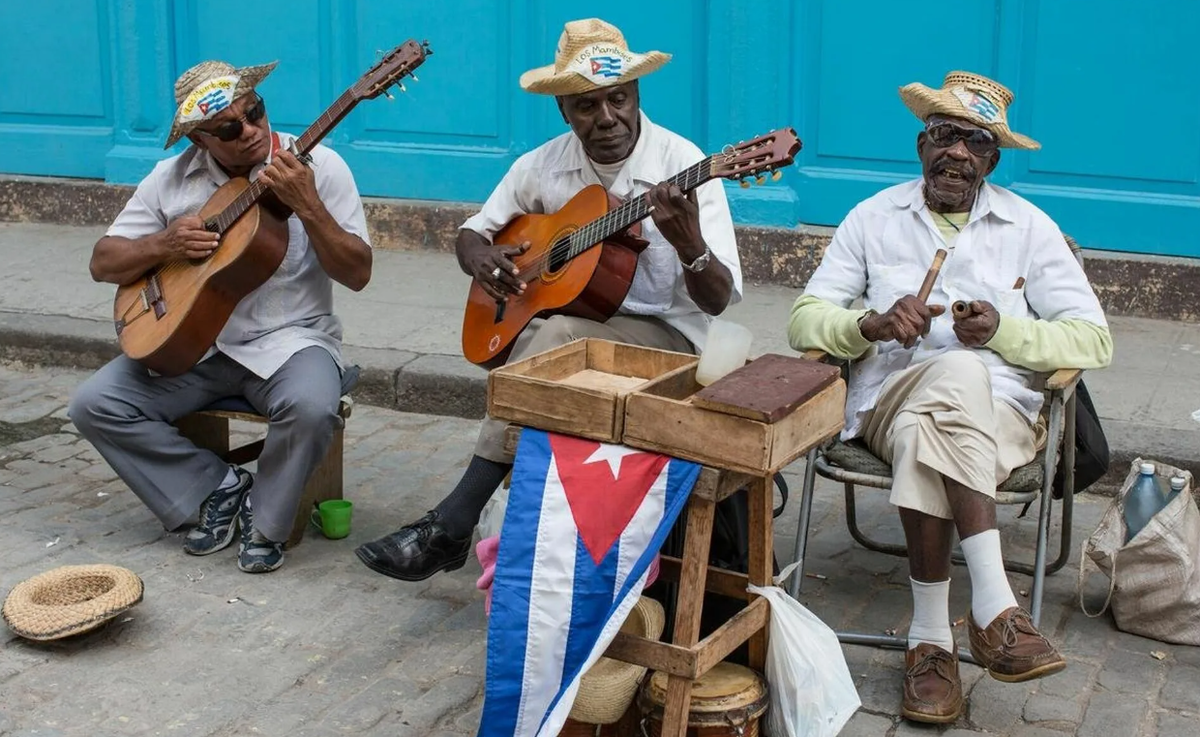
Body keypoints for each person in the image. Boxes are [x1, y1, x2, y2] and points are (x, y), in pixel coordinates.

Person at [355, 18, 742, 582]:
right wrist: (481, 259)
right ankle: (516, 543)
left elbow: (719, 301)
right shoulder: (541, 165)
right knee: (551, 336)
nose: (606, 118)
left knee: (552, 337)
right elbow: (472, 232)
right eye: (586, 106)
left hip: (672, 341)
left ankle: (453, 523)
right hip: (577, 332)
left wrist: (691, 245)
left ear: (636, 95)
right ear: (563, 110)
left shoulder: (685, 166)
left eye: (618, 99)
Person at [787, 71, 1112, 723]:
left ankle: (930, 638)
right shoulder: (873, 219)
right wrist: (867, 325)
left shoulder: (1029, 227)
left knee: (941, 408)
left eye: (975, 141)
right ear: (921, 143)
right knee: (955, 379)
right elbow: (802, 319)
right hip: (885, 403)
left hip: (1001, 419)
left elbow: (1094, 340)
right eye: (945, 134)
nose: (957, 151)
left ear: (993, 159)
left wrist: (1003, 330)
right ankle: (995, 608)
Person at [69, 59, 372, 573]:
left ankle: (267, 520)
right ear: (199, 141)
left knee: (313, 405)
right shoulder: (170, 181)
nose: (251, 131)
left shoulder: (321, 166)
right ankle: (216, 488)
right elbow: (103, 261)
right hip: (195, 346)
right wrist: (164, 242)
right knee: (94, 404)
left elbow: (358, 273)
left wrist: (309, 206)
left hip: (289, 341)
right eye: (230, 128)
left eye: (255, 112)